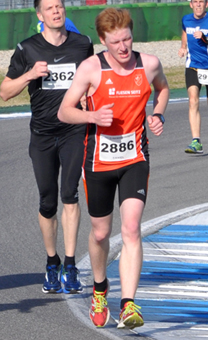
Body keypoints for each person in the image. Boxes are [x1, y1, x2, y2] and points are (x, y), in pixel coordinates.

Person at [58, 7, 169, 329]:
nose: (123, 48)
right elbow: (65, 112)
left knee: (132, 227)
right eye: (115, 42)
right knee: (101, 231)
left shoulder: (148, 64)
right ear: (103, 41)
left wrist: (158, 114)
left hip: (135, 157)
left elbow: (162, 89)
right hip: (98, 162)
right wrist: (92, 116)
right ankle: (100, 288)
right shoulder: (91, 69)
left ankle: (129, 304)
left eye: (127, 39)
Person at [0, 0, 93, 294]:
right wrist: (29, 75)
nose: (56, 11)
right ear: (40, 15)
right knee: (47, 201)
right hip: (42, 134)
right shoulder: (27, 48)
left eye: (59, 6)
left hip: (73, 131)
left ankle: (70, 263)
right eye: (50, 8)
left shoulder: (82, 45)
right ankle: (52, 261)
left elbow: (94, 80)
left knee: (70, 193)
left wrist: (88, 96)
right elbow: (4, 92)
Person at [178, 0, 208, 154]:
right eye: (195, 2)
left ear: (207, 4)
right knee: (193, 100)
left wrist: (207, 39)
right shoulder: (186, 19)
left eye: (201, 2)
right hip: (192, 67)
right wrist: (183, 47)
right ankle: (196, 141)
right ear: (191, 4)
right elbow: (185, 31)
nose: (198, 5)